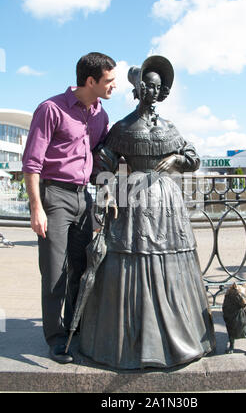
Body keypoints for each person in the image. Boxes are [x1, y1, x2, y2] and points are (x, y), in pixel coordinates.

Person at [79, 56, 216, 369]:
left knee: (170, 258)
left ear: (162, 91)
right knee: (132, 258)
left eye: (157, 87)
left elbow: (192, 156)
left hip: (166, 202)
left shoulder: (169, 127)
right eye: (146, 87)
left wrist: (180, 162)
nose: (152, 92)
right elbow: (104, 163)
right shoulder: (124, 127)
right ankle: (130, 343)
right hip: (133, 202)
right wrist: (108, 188)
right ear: (138, 90)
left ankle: (177, 336)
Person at [22, 52, 116, 364]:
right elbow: (32, 163)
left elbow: (101, 159)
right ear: (91, 81)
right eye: (109, 80)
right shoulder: (51, 109)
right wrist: (37, 208)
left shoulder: (100, 114)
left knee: (83, 266)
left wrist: (107, 195)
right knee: (54, 273)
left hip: (83, 198)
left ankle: (76, 330)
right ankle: (57, 339)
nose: (114, 86)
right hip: (54, 197)